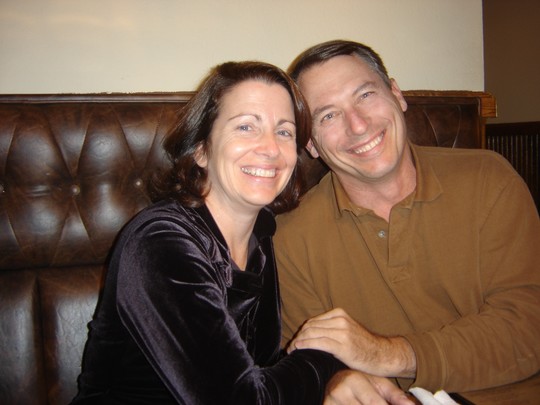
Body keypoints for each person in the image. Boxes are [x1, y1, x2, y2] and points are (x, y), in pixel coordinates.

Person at [71, 60, 413, 404]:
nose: (271, 148)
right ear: (201, 149)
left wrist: (337, 376)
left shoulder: (261, 238)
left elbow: (263, 371)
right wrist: (328, 357)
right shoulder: (159, 242)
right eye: (246, 127)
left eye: (284, 132)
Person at [274, 39, 540, 394]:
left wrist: (392, 354)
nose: (358, 125)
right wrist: (332, 381)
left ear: (396, 94)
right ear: (310, 143)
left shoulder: (488, 180)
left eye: (365, 95)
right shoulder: (290, 238)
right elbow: (307, 363)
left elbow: (530, 325)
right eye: (329, 115)